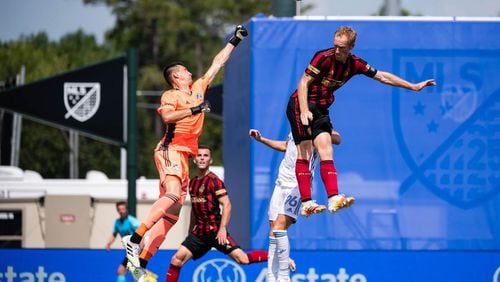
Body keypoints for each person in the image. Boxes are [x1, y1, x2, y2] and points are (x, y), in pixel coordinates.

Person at [122, 24, 249, 280]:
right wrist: (195, 110)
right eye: (185, 70)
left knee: (172, 216)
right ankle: (134, 239)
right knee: (171, 195)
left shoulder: (199, 88)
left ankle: (140, 265)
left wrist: (234, 41)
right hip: (170, 150)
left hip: (183, 156)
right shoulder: (171, 94)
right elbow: (168, 116)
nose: (191, 72)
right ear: (177, 77)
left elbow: (217, 63)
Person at [286, 25, 437, 216]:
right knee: (305, 151)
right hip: (300, 104)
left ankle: (333, 198)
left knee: (326, 148)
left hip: (321, 107)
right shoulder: (323, 57)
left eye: (342, 47)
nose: (337, 50)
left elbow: (382, 76)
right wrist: (305, 110)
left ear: (351, 47)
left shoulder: (355, 64)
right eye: (335, 46)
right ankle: (307, 203)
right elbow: (303, 82)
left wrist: (413, 86)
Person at [249, 129, 341, 282]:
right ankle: (272, 277)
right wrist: (261, 139)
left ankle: (284, 276)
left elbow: (337, 139)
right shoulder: (295, 124)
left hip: (299, 185)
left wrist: (320, 129)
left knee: (279, 227)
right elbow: (286, 146)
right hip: (281, 183)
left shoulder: (316, 120)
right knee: (273, 230)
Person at [165, 145, 268, 281]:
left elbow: (227, 204)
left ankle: (275, 256)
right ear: (194, 160)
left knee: (243, 259)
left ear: (211, 161)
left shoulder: (214, 181)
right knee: (176, 260)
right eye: (199, 155)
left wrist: (222, 229)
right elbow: (195, 209)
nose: (202, 158)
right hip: (199, 234)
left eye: (205, 156)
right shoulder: (193, 183)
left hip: (216, 232)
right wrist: (190, 231)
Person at [105, 201, 140, 282]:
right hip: (129, 251)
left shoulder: (132, 221)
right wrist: (108, 244)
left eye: (123, 209)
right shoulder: (117, 222)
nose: (121, 211)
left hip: (136, 250)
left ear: (127, 210)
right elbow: (114, 234)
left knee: (122, 271)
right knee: (135, 273)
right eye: (119, 209)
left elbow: (141, 232)